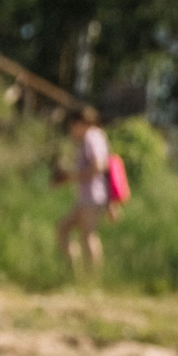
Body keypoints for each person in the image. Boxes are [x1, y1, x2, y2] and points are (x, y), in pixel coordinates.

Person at [53, 109, 111, 273]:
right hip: (89, 197)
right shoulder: (96, 137)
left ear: (79, 124)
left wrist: (71, 177)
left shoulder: (91, 138)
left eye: (72, 126)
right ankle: (75, 273)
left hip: (92, 196)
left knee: (88, 236)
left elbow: (99, 166)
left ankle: (92, 279)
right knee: (63, 228)